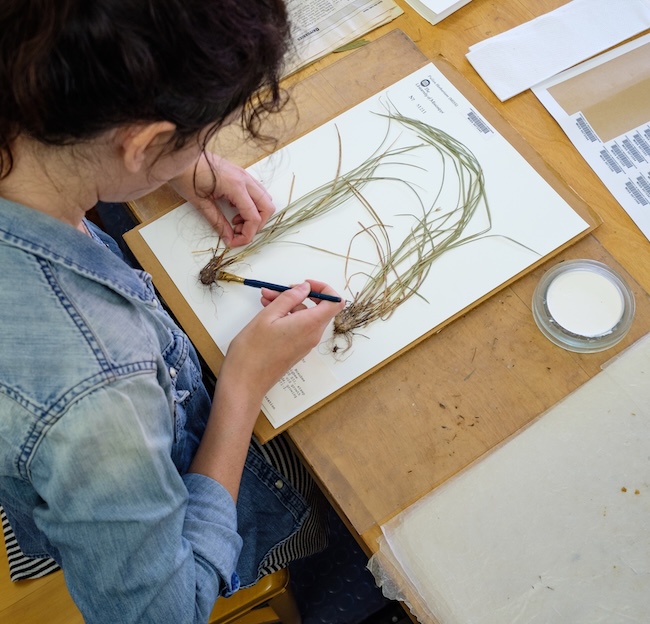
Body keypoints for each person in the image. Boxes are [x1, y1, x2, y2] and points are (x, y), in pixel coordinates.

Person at [0, 1, 345, 622]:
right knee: (341, 501)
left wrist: (174, 164)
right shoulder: (98, 396)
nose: (205, 149)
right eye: (205, 133)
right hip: (133, 496)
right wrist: (243, 383)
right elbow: (167, 612)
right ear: (143, 139)